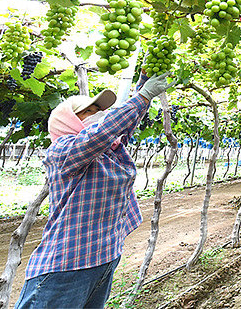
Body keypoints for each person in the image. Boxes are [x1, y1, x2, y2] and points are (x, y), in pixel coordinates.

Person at [15, 72, 171, 309]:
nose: (98, 114)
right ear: (68, 121)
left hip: (104, 259)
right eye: (89, 111)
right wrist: (144, 95)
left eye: (100, 110)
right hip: (65, 267)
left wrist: (142, 86)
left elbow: (119, 127)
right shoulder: (63, 151)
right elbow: (98, 135)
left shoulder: (109, 150)